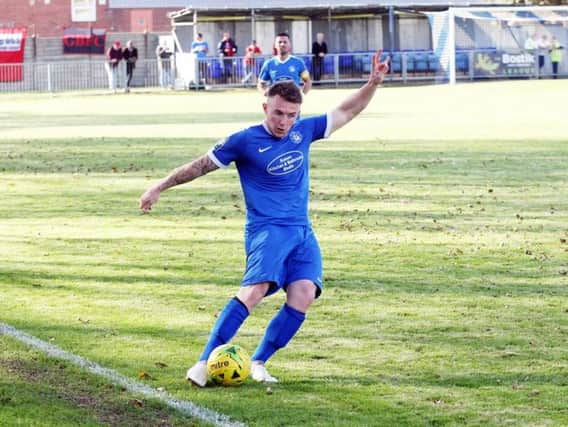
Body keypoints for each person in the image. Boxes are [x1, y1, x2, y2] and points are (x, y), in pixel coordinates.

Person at [139, 50, 390, 387]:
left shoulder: (304, 130)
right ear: (265, 108)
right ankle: (203, 362)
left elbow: (347, 110)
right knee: (254, 291)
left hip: (302, 232)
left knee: (303, 295)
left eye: (291, 114)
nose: (284, 121)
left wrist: (372, 83)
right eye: (278, 113)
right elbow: (200, 165)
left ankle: (257, 362)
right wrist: (160, 186)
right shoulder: (244, 141)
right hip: (266, 231)